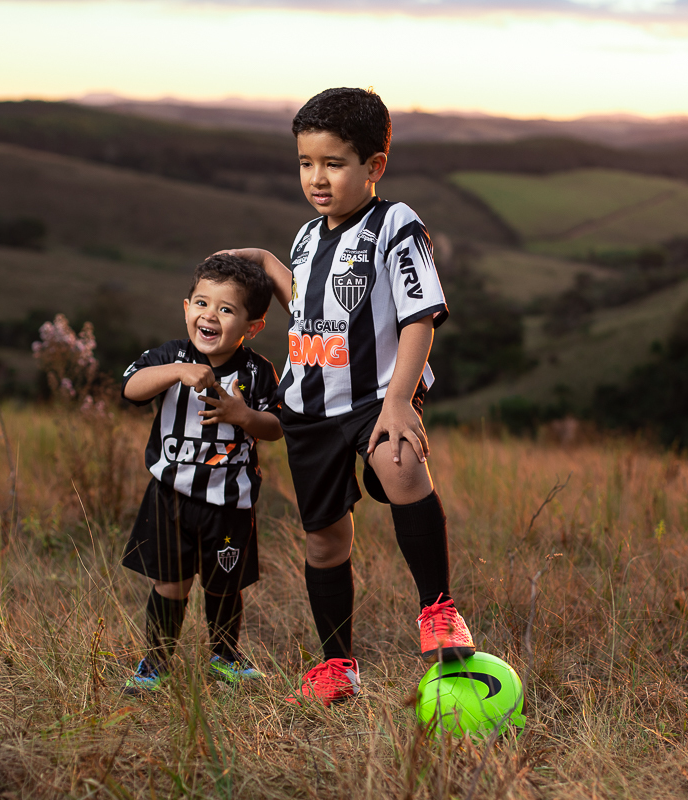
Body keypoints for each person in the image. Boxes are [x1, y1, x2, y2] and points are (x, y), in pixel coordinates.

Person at [223, 87, 475, 707]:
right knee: (324, 540)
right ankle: (338, 666)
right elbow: (310, 303)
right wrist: (264, 261)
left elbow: (420, 318)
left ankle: (438, 610)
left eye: (334, 163)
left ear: (374, 167)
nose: (317, 177)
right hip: (308, 409)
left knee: (400, 461)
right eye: (306, 163)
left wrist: (399, 401)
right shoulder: (307, 237)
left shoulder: (396, 224)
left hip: (373, 399)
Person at [119, 253, 282, 692]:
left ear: (252, 327)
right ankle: (155, 663)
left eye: (226, 309)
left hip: (229, 502)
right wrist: (175, 371)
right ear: (186, 307)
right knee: (169, 583)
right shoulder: (169, 355)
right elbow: (130, 389)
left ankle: (224, 657)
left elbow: (276, 427)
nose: (210, 315)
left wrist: (241, 414)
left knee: (223, 586)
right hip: (170, 497)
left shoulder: (258, 371)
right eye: (201, 303)